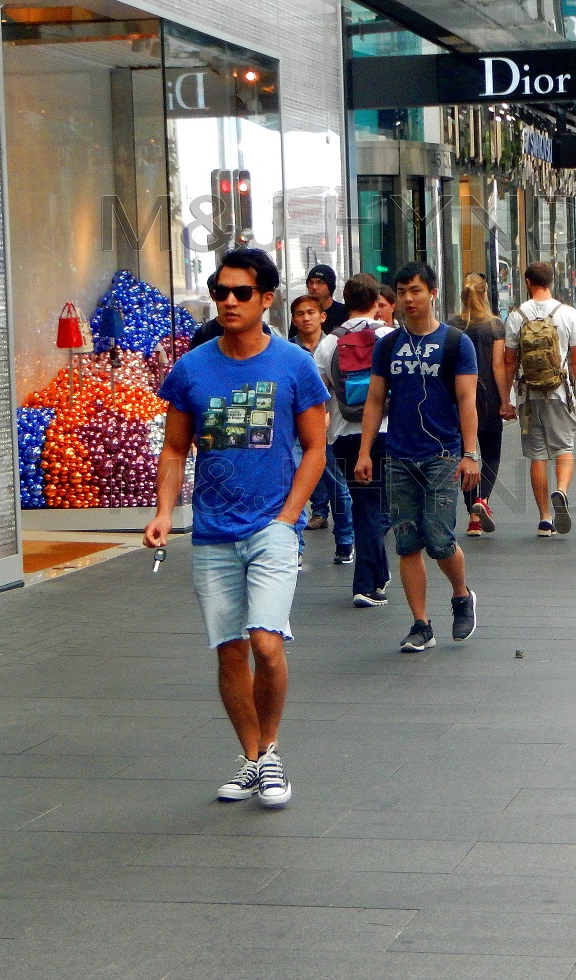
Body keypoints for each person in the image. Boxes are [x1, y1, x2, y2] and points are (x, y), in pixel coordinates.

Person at [144, 247, 329, 808]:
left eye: (241, 293)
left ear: (266, 299)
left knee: (265, 643)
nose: (228, 301)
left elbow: (317, 448)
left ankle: (269, 753)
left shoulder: (294, 365)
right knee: (230, 652)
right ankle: (252, 758)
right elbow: (175, 448)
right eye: (220, 291)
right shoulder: (192, 368)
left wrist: (289, 518)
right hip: (212, 533)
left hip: (273, 526)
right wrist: (161, 512)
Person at [355, 261, 480, 652]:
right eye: (402, 291)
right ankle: (420, 624)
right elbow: (376, 399)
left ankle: (461, 595)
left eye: (416, 290)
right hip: (399, 455)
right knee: (407, 542)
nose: (408, 299)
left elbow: (466, 400)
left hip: (442, 454)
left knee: (440, 539)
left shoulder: (457, 342)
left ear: (433, 293)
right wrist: (365, 451)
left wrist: (469, 454)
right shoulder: (388, 345)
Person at [314, 274, 395, 607]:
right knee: (373, 508)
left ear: (345, 300)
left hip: (346, 435)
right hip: (386, 432)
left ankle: (380, 573)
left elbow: (321, 393)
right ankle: (365, 584)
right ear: (377, 300)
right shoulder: (389, 336)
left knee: (366, 503)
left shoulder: (329, 343)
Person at [499, 262, 576, 536]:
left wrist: (507, 399)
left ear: (528, 282)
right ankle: (561, 491)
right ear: (551, 281)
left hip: (529, 394)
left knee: (537, 455)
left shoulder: (517, 316)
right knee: (564, 448)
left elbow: (508, 362)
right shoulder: (568, 314)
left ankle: (544, 518)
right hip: (560, 392)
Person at [291, 296, 355, 561]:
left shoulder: (334, 346)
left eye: (310, 312)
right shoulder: (288, 350)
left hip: (328, 427)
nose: (306, 318)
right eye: (300, 314)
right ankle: (295, 547)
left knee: (337, 485)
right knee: (291, 485)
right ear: (294, 319)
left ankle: (345, 541)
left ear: (322, 316)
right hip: (294, 428)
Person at [448, 273, 506, 536]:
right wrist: (505, 400)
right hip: (489, 397)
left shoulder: (452, 326)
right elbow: (497, 365)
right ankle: (483, 499)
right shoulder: (495, 326)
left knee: (466, 455)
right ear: (485, 295)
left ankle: (472, 515)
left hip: (460, 398)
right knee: (491, 455)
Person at [304, 263, 349, 334]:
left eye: (320, 282)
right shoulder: (303, 314)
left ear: (330, 286)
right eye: (311, 282)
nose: (314, 287)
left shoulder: (344, 313)